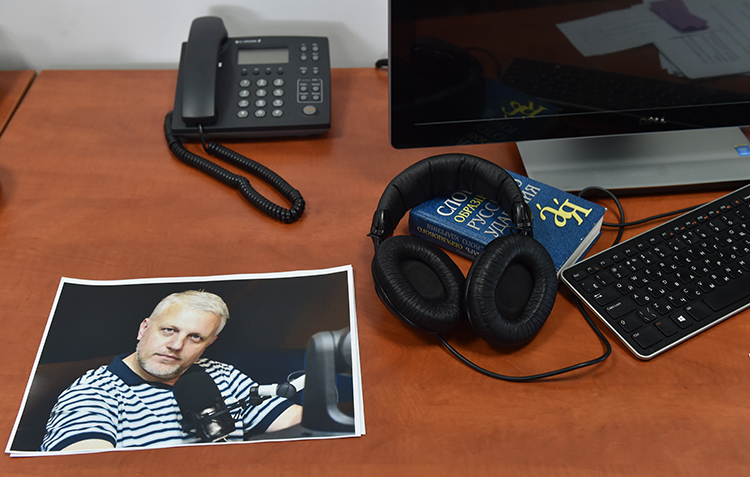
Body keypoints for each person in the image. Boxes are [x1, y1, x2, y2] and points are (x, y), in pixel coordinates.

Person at [40, 290, 302, 451]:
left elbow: (298, 422)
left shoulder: (222, 375)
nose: (176, 346)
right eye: (169, 330)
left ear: (209, 343)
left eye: (195, 337)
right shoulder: (94, 393)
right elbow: (81, 468)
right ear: (144, 328)